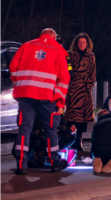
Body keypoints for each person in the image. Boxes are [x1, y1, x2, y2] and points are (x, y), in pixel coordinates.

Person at [9, 28, 70, 175]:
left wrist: (19, 84)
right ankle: (54, 163)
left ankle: (20, 165)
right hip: (46, 97)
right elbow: (64, 79)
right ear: (53, 38)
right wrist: (60, 102)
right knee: (50, 130)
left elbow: (13, 67)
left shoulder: (26, 46)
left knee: (25, 129)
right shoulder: (58, 49)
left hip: (26, 95)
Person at [64, 33, 96, 150]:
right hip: (73, 88)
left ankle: (79, 140)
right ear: (76, 44)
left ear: (87, 43)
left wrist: (89, 86)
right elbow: (67, 70)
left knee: (83, 117)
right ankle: (70, 140)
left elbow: (92, 72)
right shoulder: (70, 55)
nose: (81, 44)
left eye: (83, 42)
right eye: (79, 42)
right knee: (72, 115)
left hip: (85, 89)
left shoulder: (91, 56)